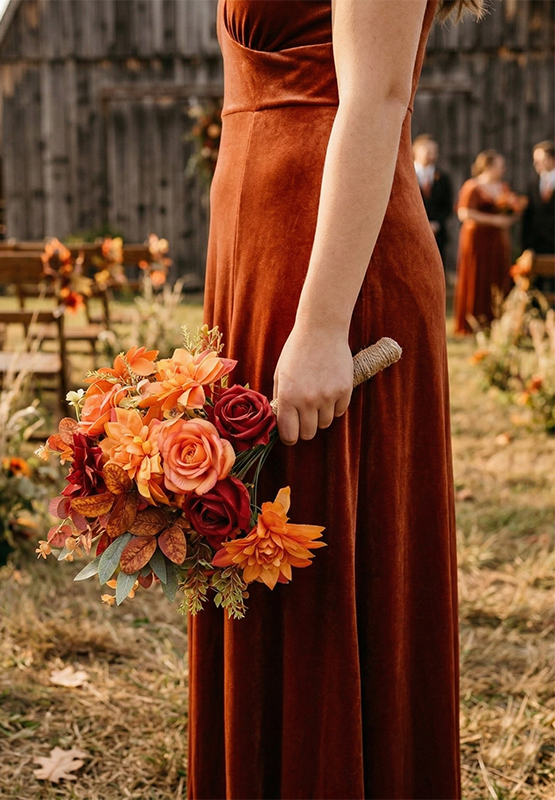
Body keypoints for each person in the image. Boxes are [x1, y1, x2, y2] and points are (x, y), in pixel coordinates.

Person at [191, 0, 471, 797]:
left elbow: (375, 99)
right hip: (258, 249)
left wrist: (320, 325)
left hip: (331, 269)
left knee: (314, 558)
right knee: (256, 548)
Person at [453, 150, 525, 335]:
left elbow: (511, 211)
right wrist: (495, 221)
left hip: (497, 241)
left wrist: (512, 215)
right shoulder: (472, 186)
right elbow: (464, 213)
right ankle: (472, 321)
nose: (503, 169)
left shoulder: (503, 188)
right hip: (477, 239)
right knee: (477, 274)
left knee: (497, 274)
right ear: (488, 166)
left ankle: (496, 321)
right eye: (500, 165)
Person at [413, 133, 453, 267]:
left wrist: (436, 223)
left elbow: (447, 206)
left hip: (436, 233)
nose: (432, 155)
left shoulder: (443, 178)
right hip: (411, 231)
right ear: (415, 151)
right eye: (428, 151)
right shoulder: (407, 175)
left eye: (435, 151)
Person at [522, 140, 555, 294]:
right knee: (535, 289)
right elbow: (527, 217)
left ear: (552, 159)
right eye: (535, 161)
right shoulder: (532, 184)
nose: (536, 164)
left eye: (540, 160)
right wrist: (526, 245)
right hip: (537, 244)